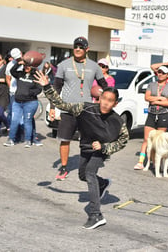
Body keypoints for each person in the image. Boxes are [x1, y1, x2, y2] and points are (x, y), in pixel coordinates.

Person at [34, 69, 129, 229]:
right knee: (83, 175)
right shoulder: (84, 108)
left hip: (101, 150)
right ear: (99, 98)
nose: (106, 103)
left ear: (115, 103)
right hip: (86, 147)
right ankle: (103, 183)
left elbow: (123, 141)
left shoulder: (117, 121)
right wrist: (47, 86)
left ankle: (96, 215)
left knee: (90, 173)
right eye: (104, 98)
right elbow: (61, 104)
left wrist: (105, 147)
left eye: (110, 100)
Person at [49, 37, 108, 180]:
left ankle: (87, 166)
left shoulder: (94, 66)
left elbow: (105, 85)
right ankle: (63, 167)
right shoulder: (64, 65)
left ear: (87, 49)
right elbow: (56, 87)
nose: (78, 49)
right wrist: (52, 107)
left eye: (81, 47)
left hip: (86, 110)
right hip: (68, 109)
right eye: (76, 46)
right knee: (65, 139)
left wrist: (111, 99)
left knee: (87, 140)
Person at [134, 66, 168, 170]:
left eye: (162, 73)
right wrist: (160, 98)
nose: (160, 74)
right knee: (146, 139)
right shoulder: (151, 85)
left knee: (159, 140)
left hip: (163, 114)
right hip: (152, 114)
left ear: (167, 75)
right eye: (159, 72)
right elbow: (147, 97)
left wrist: (155, 101)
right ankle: (141, 162)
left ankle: (157, 162)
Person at [4, 52, 42, 147]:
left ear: (32, 67)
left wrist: (30, 93)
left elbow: (39, 89)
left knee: (27, 121)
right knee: (14, 121)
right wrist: (18, 63)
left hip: (30, 102)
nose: (26, 68)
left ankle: (28, 140)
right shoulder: (20, 74)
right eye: (25, 66)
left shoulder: (35, 77)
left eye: (28, 66)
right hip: (17, 102)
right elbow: (12, 71)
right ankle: (11, 139)